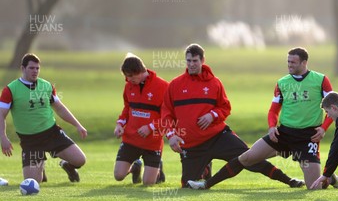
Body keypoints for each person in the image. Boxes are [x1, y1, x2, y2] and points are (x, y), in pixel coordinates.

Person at [187, 47, 338, 190]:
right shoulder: (282, 83)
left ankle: (332, 179)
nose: (289, 65)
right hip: (284, 134)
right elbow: (273, 110)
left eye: (293, 62)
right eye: (288, 62)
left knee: (313, 187)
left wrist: (324, 128)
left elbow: (334, 106)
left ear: (304, 62)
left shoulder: (321, 80)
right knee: (247, 158)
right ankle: (206, 184)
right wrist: (271, 126)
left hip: (308, 137)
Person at [162, 44, 301, 188]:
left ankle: (288, 180)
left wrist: (212, 115)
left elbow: (225, 107)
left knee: (250, 158)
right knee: (187, 185)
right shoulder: (175, 85)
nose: (191, 64)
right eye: (188, 61)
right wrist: (171, 135)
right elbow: (166, 112)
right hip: (192, 145)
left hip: (218, 137)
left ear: (203, 60)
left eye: (195, 61)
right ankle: (205, 168)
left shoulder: (214, 83)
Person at [0, 53, 86, 183]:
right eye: (31, 68)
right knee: (33, 182)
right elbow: (1, 115)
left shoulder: (46, 86)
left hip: (52, 134)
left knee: (80, 160)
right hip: (30, 140)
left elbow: (59, 108)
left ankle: (67, 165)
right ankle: (40, 166)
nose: (35, 71)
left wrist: (78, 125)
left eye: (37, 68)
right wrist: (3, 138)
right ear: (23, 68)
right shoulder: (10, 90)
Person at [113, 53, 168, 185]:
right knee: (119, 176)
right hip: (131, 139)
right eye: (126, 76)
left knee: (148, 183)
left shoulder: (163, 86)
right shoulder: (128, 86)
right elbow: (127, 108)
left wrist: (150, 127)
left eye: (131, 75)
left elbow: (168, 116)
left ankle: (158, 170)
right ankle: (135, 168)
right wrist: (120, 124)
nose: (129, 79)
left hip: (152, 142)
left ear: (141, 71)